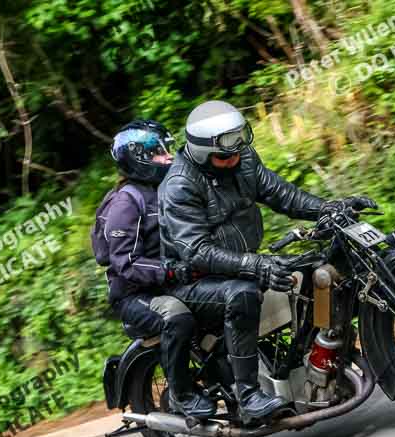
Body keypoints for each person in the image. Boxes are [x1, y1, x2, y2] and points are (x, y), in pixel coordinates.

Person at [158, 100, 376, 420]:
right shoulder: (179, 186)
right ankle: (248, 393)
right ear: (203, 153)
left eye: (237, 148)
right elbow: (197, 251)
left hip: (236, 265)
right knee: (242, 295)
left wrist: (329, 208)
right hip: (194, 280)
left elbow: (281, 194)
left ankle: (313, 359)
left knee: (312, 270)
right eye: (224, 155)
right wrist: (254, 265)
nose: (234, 157)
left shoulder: (241, 159)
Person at [93, 119, 217, 418]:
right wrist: (170, 270)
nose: (168, 157)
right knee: (177, 318)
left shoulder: (164, 191)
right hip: (136, 295)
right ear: (138, 159)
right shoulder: (126, 202)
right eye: (158, 152)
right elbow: (126, 263)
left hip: (169, 283)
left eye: (166, 149)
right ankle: (182, 393)